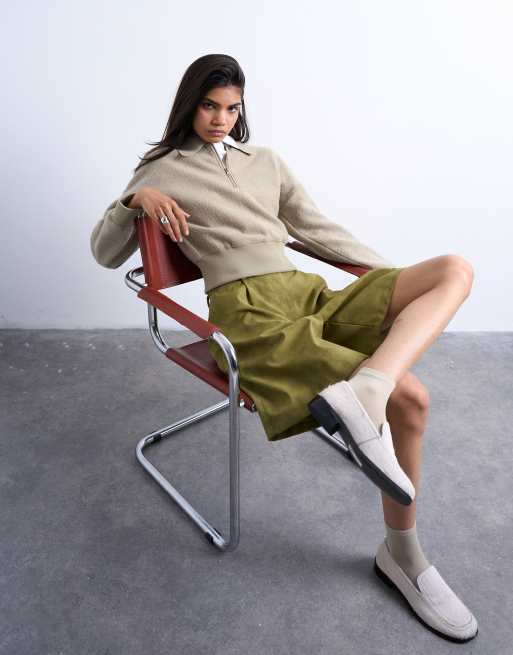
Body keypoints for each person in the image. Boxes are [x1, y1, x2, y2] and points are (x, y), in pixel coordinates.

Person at [90, 54, 478, 642]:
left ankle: (366, 391)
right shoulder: (161, 169)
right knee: (414, 400)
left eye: (232, 108)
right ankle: (403, 553)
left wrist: (392, 279)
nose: (221, 119)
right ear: (189, 105)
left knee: (453, 269)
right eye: (209, 106)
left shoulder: (266, 161)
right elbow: (104, 252)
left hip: (308, 293)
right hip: (249, 316)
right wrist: (135, 200)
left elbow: (316, 229)